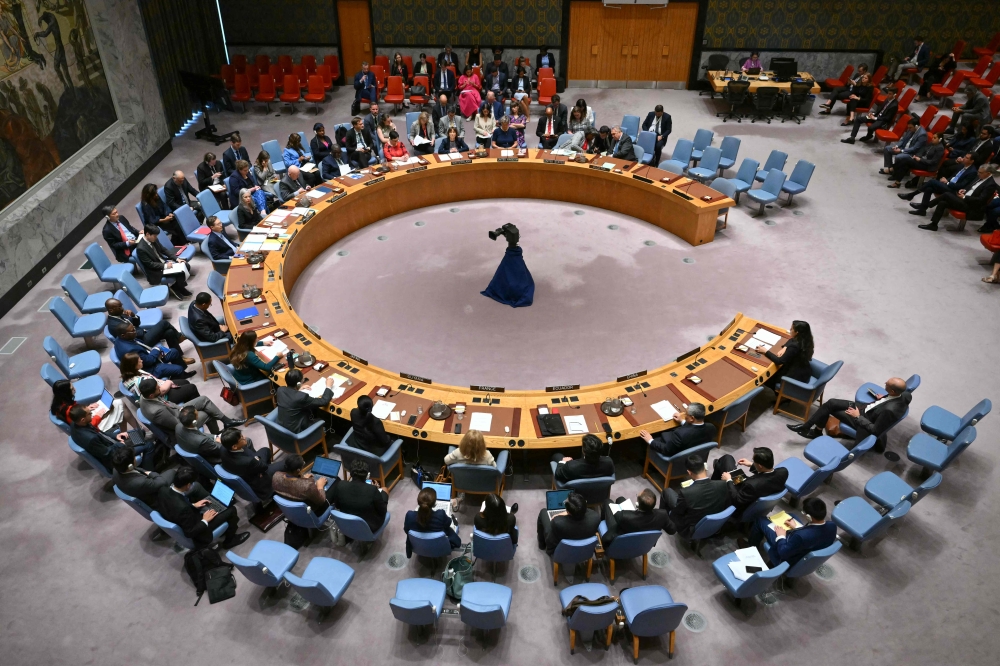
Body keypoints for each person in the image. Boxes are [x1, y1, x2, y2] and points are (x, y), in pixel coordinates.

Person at [788, 377, 911, 449]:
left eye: (887, 384)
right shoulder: (904, 394)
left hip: (862, 419)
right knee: (831, 402)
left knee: (830, 408)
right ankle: (808, 427)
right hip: (865, 409)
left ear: (893, 391)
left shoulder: (889, 411)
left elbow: (875, 430)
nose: (884, 383)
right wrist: (883, 398)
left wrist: (857, 416)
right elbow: (903, 397)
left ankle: (814, 431)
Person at [157, 466, 248, 549]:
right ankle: (230, 541)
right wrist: (205, 520)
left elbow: (175, 506)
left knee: (213, 506)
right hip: (199, 530)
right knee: (231, 510)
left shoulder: (163, 490)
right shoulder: (183, 508)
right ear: (188, 485)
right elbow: (189, 532)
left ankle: (225, 529)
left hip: (183, 516)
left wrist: (193, 505)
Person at [138, 377, 245, 435]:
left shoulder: (145, 395)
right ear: (151, 395)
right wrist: (188, 413)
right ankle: (217, 435)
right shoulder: (157, 411)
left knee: (203, 399)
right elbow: (177, 425)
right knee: (208, 413)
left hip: (176, 410)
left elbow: (168, 403)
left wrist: (181, 408)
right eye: (158, 388)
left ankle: (226, 421)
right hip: (181, 423)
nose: (160, 388)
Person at [749, 497, 837, 567]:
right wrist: (796, 527)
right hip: (806, 546)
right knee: (792, 516)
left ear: (809, 517)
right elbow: (814, 535)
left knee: (760, 520)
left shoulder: (800, 536)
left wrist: (781, 536)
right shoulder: (832, 525)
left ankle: (750, 548)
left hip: (787, 552)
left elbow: (783, 552)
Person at [660, 455, 731, 538]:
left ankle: (662, 522)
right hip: (713, 524)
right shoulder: (722, 484)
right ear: (704, 467)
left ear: (689, 472)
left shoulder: (686, 493)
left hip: (690, 528)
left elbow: (678, 511)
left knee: (667, 492)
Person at [69, 405, 154, 470]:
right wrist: (121, 445)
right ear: (83, 419)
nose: (92, 414)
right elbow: (107, 454)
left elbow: (101, 434)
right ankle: (148, 472)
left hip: (110, 445)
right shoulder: (90, 438)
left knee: (140, 433)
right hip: (115, 457)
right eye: (89, 413)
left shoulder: (76, 423)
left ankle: (144, 459)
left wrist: (116, 436)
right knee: (149, 445)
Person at [918, 165, 999, 231]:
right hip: (965, 200)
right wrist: (964, 190)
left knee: (947, 194)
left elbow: (981, 200)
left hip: (972, 206)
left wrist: (964, 197)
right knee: (943, 203)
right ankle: (933, 225)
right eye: (978, 172)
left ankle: (927, 205)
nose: (978, 174)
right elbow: (970, 187)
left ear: (988, 173)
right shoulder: (980, 177)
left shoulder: (991, 184)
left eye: (980, 173)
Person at [711, 447, 789, 515]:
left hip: (741, 496)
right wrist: (751, 464)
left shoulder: (751, 485)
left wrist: (728, 480)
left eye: (754, 461)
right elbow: (767, 474)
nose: (753, 462)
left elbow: (736, 500)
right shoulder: (783, 472)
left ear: (760, 466)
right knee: (728, 458)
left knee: (726, 460)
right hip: (752, 489)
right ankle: (718, 466)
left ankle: (715, 475)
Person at [111, 320, 194, 380]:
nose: (135, 332)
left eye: (134, 329)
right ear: (123, 335)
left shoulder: (120, 338)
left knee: (174, 351)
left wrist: (154, 351)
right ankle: (176, 379)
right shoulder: (131, 349)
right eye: (132, 331)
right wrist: (156, 349)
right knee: (178, 369)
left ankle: (183, 374)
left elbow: (141, 346)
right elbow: (149, 361)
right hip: (149, 368)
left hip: (147, 356)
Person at [901, 152, 978, 212]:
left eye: (967, 158)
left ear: (972, 161)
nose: (964, 158)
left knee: (932, 181)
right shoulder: (962, 165)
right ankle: (922, 210)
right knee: (929, 188)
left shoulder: (972, 172)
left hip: (954, 191)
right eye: (964, 156)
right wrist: (947, 180)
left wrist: (947, 183)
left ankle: (912, 195)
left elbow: (961, 185)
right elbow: (954, 176)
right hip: (948, 185)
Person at [219, 427, 280, 500]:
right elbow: (264, 466)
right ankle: (269, 479)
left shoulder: (223, 448)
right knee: (287, 462)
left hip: (247, 470)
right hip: (257, 478)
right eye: (241, 438)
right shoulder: (247, 461)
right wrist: (257, 463)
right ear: (234, 447)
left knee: (266, 450)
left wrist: (256, 461)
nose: (244, 437)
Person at [51, 379, 133, 433]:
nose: (75, 389)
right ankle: (136, 431)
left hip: (88, 420)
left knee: (118, 405)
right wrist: (98, 415)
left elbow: (78, 416)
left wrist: (86, 408)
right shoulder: (69, 411)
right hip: (93, 427)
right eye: (72, 389)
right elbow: (86, 426)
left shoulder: (60, 403)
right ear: (66, 393)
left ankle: (130, 433)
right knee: (120, 406)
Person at [329, 459, 389, 533]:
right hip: (369, 527)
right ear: (367, 475)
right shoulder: (372, 490)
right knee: (384, 489)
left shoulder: (341, 485)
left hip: (347, 523)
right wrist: (377, 492)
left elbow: (337, 505)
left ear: (351, 474)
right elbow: (382, 511)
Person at [106, 297, 183, 353]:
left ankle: (179, 357)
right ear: (111, 310)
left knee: (169, 332)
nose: (122, 308)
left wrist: (133, 315)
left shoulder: (119, 314)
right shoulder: (114, 325)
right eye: (119, 307)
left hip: (142, 334)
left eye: (121, 305)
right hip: (139, 342)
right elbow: (132, 336)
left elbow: (137, 323)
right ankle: (179, 337)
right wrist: (142, 331)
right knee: (164, 323)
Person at [639, 403, 717, 457]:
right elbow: (695, 429)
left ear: (692, 418)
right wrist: (682, 421)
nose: (685, 416)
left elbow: (666, 450)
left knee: (648, 440)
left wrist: (650, 440)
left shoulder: (680, 434)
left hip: (675, 454)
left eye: (686, 414)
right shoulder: (711, 427)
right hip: (693, 452)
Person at [120, 352, 200, 404]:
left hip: (158, 387)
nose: (142, 361)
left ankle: (189, 406)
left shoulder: (127, 376)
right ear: (134, 365)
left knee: (185, 382)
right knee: (192, 388)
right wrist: (169, 382)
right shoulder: (141, 381)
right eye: (139, 361)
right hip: (161, 398)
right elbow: (160, 391)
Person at [111, 445, 175, 509]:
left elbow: (137, 469)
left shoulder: (116, 469)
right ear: (130, 466)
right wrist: (150, 473)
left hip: (138, 488)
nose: (135, 458)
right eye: (134, 457)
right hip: (153, 497)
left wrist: (145, 471)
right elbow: (162, 482)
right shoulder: (140, 482)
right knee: (172, 472)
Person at [404, 486, 461, 558]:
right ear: (434, 504)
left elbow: (406, 530)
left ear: (418, 502)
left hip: (419, 547)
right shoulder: (440, 515)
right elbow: (448, 523)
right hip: (439, 546)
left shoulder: (410, 516)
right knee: (453, 527)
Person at [135, 225, 190, 298]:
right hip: (155, 270)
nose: (156, 237)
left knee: (186, 265)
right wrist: (165, 266)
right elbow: (150, 264)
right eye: (154, 236)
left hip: (163, 262)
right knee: (180, 272)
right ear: (147, 234)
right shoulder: (141, 249)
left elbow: (163, 250)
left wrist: (176, 259)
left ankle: (176, 287)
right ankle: (179, 288)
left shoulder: (153, 239)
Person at [536, 491, 600, 555]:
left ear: (568, 512)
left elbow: (550, 540)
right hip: (585, 549)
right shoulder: (595, 517)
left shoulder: (557, 522)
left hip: (561, 552)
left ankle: (542, 545)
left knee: (543, 512)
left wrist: (559, 515)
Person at [600, 489, 670, 547]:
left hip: (623, 541)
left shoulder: (623, 516)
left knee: (607, 502)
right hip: (643, 544)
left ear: (637, 504)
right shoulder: (663, 514)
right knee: (620, 499)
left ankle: (601, 523)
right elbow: (671, 530)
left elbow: (607, 538)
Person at [272, 453, 339, 513]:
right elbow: (321, 501)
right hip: (312, 510)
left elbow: (291, 485)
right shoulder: (308, 486)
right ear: (298, 470)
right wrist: (320, 486)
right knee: (337, 481)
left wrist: (302, 479)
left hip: (290, 509)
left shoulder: (276, 476)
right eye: (303, 463)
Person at [758, 320, 814, 389]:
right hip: (805, 370)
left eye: (792, 329)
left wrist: (765, 351)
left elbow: (779, 361)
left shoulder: (794, 346)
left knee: (766, 378)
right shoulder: (806, 340)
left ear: (797, 332)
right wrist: (785, 347)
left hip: (795, 376)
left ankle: (777, 392)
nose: (790, 330)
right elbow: (792, 340)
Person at [276, 368, 333, 433]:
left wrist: (298, 389)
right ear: (298, 384)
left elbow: (290, 396)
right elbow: (323, 401)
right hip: (297, 432)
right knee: (322, 420)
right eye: (302, 380)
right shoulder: (301, 397)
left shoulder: (280, 390)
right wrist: (328, 386)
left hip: (281, 427)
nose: (303, 381)